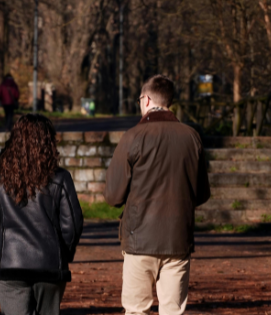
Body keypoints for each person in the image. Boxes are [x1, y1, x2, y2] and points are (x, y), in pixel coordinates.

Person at [105, 74, 211, 315]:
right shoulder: (191, 137)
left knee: (136, 310)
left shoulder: (132, 136)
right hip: (178, 238)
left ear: (147, 99)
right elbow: (202, 193)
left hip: (138, 239)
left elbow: (112, 195)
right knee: (173, 311)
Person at [0, 114, 85, 315]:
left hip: (10, 266)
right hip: (50, 267)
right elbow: (73, 223)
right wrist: (62, 253)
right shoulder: (60, 178)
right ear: (49, 143)